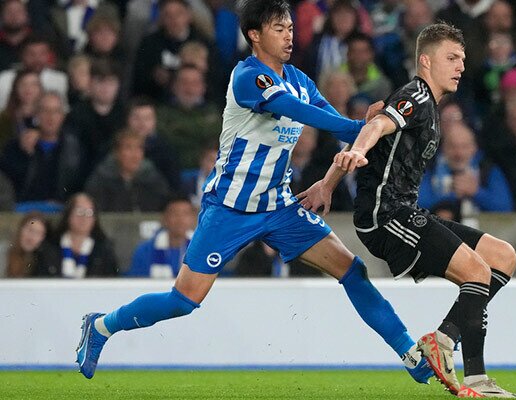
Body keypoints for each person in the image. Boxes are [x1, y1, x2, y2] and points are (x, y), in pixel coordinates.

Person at [76, 1, 435, 388]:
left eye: (291, 28)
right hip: (229, 208)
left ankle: (409, 353)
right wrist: (353, 124)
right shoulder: (248, 77)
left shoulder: (300, 78)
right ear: (254, 34)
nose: (289, 35)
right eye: (279, 28)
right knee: (183, 301)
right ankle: (100, 326)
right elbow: (298, 112)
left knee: (353, 270)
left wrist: (379, 125)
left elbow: (340, 129)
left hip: (279, 206)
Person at [299, 22, 516, 398]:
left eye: (463, 59)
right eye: (451, 58)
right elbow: (379, 126)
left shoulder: (430, 105)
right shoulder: (415, 95)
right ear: (425, 61)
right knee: (477, 272)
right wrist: (357, 151)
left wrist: (328, 183)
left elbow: (372, 123)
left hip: (406, 210)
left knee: (503, 256)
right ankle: (476, 379)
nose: (461, 66)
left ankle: (444, 339)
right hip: (384, 217)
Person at [84, 129, 171, 212]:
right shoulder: (100, 181)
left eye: (139, 148)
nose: (135, 154)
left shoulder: (155, 180)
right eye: (128, 148)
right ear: (116, 153)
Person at [42, 193, 118, 278]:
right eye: (79, 212)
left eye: (89, 213)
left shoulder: (104, 249)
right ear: (68, 215)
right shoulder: (51, 245)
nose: (84, 218)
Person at [126, 196, 196, 278]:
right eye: (175, 214)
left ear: (193, 219)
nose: (180, 219)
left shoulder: (203, 250)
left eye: (185, 214)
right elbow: (135, 284)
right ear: (164, 219)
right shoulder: (145, 250)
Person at [5, 212, 59, 277]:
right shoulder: (4, 254)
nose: (31, 237)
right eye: (30, 230)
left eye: (38, 233)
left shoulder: (45, 262)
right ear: (20, 229)